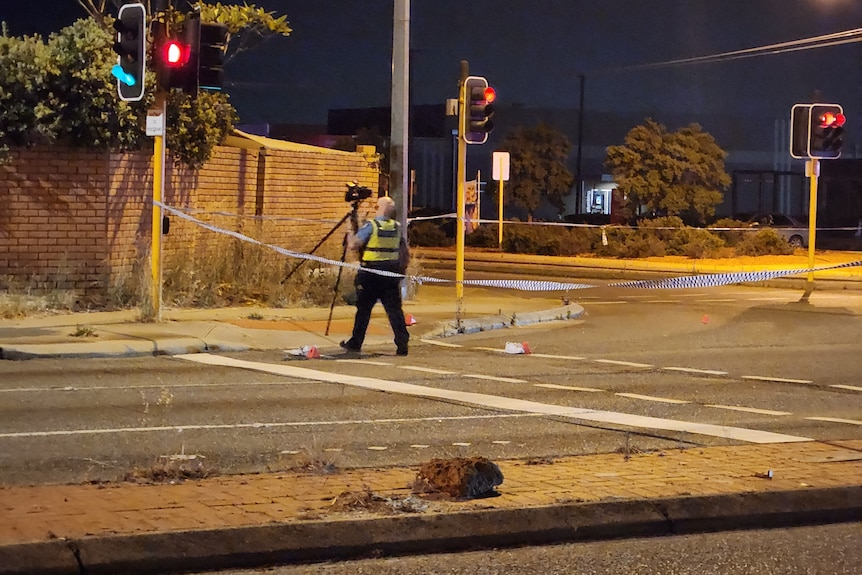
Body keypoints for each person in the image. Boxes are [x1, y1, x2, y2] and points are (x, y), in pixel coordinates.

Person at [340, 196, 410, 356]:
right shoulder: (396, 227)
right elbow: (403, 251)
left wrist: (350, 229)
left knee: (363, 310)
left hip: (371, 274)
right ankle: (402, 342)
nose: (373, 208)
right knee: (394, 311)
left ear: (381, 209)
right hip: (390, 274)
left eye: (376, 206)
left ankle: (356, 342)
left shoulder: (372, 226)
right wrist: (401, 271)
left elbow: (353, 245)